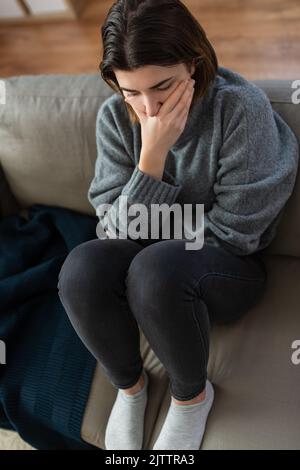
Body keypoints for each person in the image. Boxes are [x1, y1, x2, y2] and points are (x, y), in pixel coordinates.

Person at [57, 0, 299, 451]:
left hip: (227, 270)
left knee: (155, 267)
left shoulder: (239, 111)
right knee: (81, 268)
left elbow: (238, 232)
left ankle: (191, 395)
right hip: (151, 265)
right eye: (132, 92)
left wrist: (149, 235)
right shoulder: (116, 117)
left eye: (163, 86)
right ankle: (130, 388)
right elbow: (109, 233)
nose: (149, 108)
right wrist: (151, 159)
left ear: (195, 61)